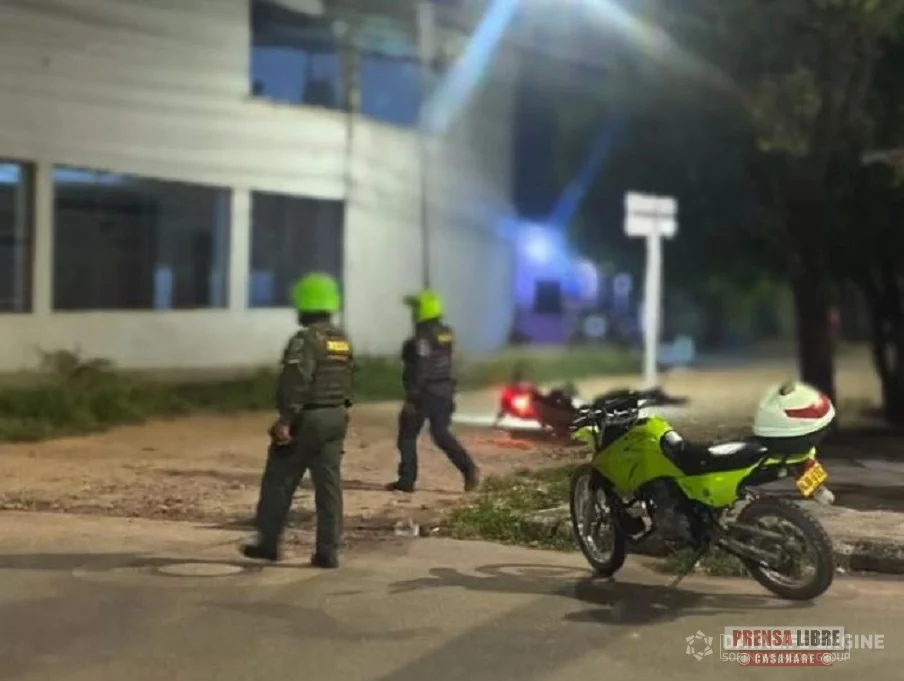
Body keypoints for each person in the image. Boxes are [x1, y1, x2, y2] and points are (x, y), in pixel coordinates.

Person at [242, 272, 354, 569]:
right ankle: (328, 552)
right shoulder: (341, 340)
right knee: (329, 487)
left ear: (305, 304)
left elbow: (297, 381)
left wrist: (285, 419)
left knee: (279, 480)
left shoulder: (305, 340)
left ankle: (268, 544)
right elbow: (347, 379)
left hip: (308, 418)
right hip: (336, 416)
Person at [386, 289, 480, 494]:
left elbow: (421, 367)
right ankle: (469, 469)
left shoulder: (422, 338)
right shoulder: (446, 333)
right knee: (440, 433)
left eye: (415, 309)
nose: (412, 314)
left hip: (424, 392)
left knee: (407, 435)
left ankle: (407, 480)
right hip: (444, 390)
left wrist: (412, 396)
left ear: (422, 311)